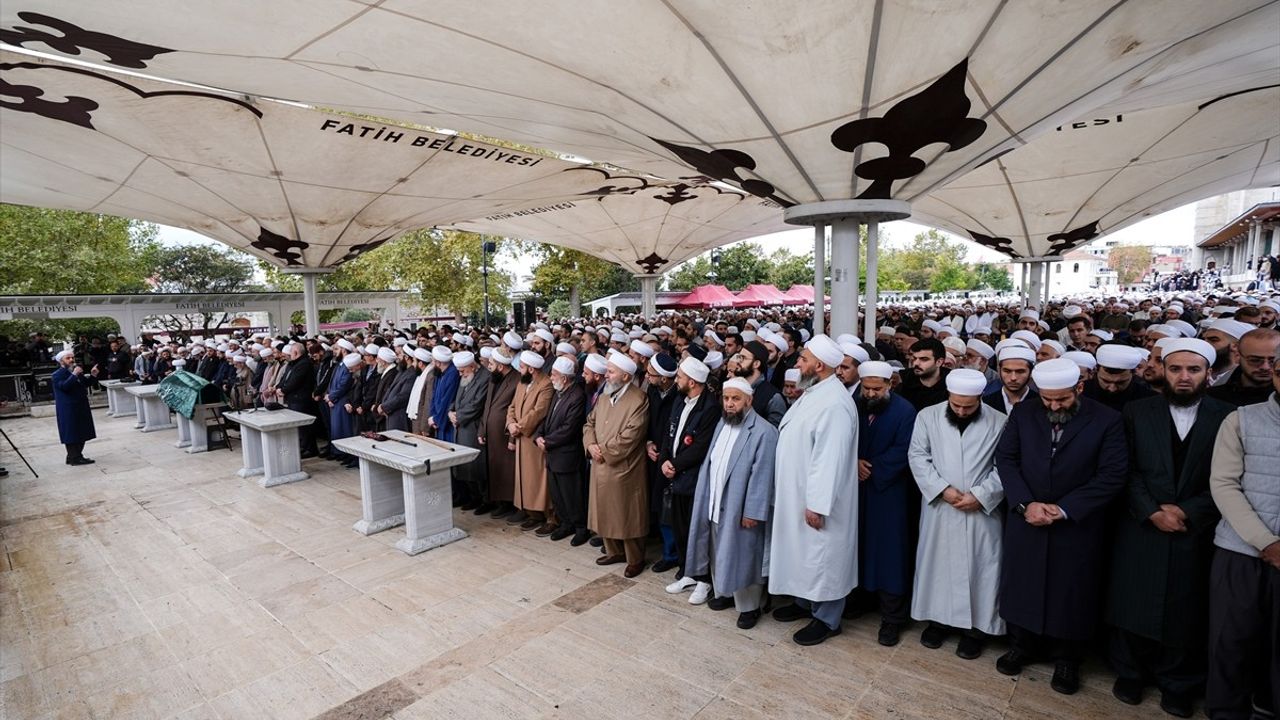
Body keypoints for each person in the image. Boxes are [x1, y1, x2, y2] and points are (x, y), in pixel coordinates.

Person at [1106, 338, 1232, 717]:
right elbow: (1124, 469)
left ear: (1208, 374)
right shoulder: (1136, 411)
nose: (1183, 377)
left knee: (1186, 606)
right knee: (1133, 598)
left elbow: (1227, 477)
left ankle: (1178, 682)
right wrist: (1151, 510)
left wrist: (1188, 511)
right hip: (1142, 523)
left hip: (1195, 527)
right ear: (1162, 370)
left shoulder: (1227, 416)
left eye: (1193, 370)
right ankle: (1130, 672)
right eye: (1175, 369)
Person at [995, 358, 1127, 694]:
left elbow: (1111, 475)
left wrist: (1065, 509)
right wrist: (1026, 503)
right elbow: (1006, 460)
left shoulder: (1107, 420)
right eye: (1048, 399)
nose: (1054, 405)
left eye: (1063, 400)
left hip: (1076, 524)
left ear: (1079, 388)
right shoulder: (1024, 413)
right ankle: (1021, 645)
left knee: (1072, 592)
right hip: (1027, 517)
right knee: (1022, 582)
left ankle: (1068, 659)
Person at [909, 368, 1007, 659]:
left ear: (979, 399)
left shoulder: (1000, 421)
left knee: (981, 569)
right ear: (948, 397)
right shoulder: (927, 416)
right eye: (957, 405)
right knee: (938, 568)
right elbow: (917, 456)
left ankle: (975, 631)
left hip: (981, 510)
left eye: (969, 406)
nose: (962, 411)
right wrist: (942, 489)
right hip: (941, 506)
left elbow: (1006, 465)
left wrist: (982, 495)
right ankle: (938, 622)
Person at [1205, 341, 1280, 720]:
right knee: (1230, 643)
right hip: (1241, 550)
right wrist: (1266, 542)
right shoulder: (1241, 420)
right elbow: (1224, 484)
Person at [769, 334, 860, 646]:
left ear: (819, 366)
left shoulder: (834, 403)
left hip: (818, 501)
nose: (798, 362)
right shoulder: (816, 391)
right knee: (805, 555)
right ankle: (805, 602)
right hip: (799, 493)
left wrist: (817, 505)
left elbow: (829, 460)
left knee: (823, 558)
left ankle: (827, 619)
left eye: (803, 359)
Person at [686, 376, 777, 629]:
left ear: (749, 400)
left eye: (735, 399)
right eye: (726, 398)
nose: (729, 404)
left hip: (741, 508)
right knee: (719, 551)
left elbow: (763, 476)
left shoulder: (764, 432)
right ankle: (726, 592)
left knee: (746, 556)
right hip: (716, 502)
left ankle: (750, 607)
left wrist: (753, 512)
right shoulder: (722, 424)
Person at [848, 360, 918, 646]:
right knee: (860, 546)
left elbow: (906, 449)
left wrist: (872, 468)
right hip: (857, 490)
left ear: (890, 384)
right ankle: (863, 600)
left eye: (877, 388)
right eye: (867, 388)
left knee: (890, 554)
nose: (871, 394)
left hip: (890, 492)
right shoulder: (854, 405)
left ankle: (892, 618)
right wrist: (852, 462)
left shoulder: (906, 411)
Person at [657, 357, 720, 604]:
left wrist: (675, 464)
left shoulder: (710, 408)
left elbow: (701, 447)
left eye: (680, 377)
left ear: (692, 382)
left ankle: (703, 580)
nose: (676, 381)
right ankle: (687, 572)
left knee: (698, 532)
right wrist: (664, 459)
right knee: (680, 527)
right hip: (675, 478)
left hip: (693, 480)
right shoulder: (680, 400)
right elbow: (668, 434)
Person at [583, 352, 650, 577]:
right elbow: (589, 424)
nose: (606, 375)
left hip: (624, 467)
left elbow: (631, 436)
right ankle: (613, 551)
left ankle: (635, 558)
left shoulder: (639, 399)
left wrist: (604, 451)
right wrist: (591, 445)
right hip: (600, 463)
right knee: (604, 512)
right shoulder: (603, 397)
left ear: (625, 376)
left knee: (628, 514)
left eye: (611, 372)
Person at [535, 356, 587, 542]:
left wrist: (547, 442)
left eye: (554, 375)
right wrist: (539, 436)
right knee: (558, 494)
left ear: (565, 378)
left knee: (572, 494)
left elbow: (569, 429)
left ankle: (580, 527)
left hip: (567, 456)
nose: (551, 377)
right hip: (553, 455)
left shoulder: (577, 396)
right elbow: (546, 418)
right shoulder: (559, 393)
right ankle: (566, 524)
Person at [507, 350, 555, 531]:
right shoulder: (523, 382)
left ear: (532, 369)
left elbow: (539, 411)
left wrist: (519, 427)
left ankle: (547, 516)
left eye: (522, 367)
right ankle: (532, 514)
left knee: (538, 479)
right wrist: (510, 423)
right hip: (520, 438)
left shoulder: (546, 384)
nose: (520, 370)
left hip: (532, 438)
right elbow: (512, 406)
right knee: (525, 479)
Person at [448, 350, 490, 510]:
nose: (460, 375)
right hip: (461, 426)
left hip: (473, 427)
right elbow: (457, 396)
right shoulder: (467, 376)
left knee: (476, 466)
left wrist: (458, 416)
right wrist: (451, 411)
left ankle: (484, 500)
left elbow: (477, 405)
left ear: (472, 366)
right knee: (465, 466)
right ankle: (473, 497)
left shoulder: (485, 377)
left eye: (462, 371)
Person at [482, 349, 520, 519]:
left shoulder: (517, 379)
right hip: (491, 434)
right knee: (495, 470)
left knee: (507, 472)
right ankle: (499, 502)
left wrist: (513, 438)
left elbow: (516, 411)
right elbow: (487, 406)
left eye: (491, 364)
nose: (489, 367)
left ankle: (509, 504)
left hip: (505, 435)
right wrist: (482, 429)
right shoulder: (494, 378)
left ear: (500, 366)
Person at [1208, 327, 1280, 407]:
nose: (1265, 367)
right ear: (1237, 356)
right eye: (1255, 360)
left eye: (1273, 360)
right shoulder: (1212, 397)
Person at [51, 349, 97, 465]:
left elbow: (85, 384)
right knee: (71, 432)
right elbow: (64, 387)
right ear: (61, 361)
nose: (71, 360)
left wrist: (93, 375)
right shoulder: (57, 374)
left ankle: (73, 456)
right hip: (68, 408)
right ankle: (75, 457)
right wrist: (74, 375)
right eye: (68, 358)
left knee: (82, 430)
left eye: (72, 358)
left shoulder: (76, 371)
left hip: (80, 405)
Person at [275, 343, 318, 457]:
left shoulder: (304, 364)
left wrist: (283, 390)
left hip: (301, 399)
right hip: (293, 398)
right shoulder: (292, 364)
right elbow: (285, 378)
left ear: (296, 352)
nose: (289, 354)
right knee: (299, 426)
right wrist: (279, 388)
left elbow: (295, 381)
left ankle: (310, 448)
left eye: (291, 351)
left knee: (305, 425)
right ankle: (303, 446)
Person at [1085, 344, 1155, 412]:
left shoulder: (1150, 400)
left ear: (1133, 373)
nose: (1112, 389)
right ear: (1096, 370)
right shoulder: (1081, 394)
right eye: (1106, 381)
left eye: (1120, 383)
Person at [327, 351, 361, 468]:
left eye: (352, 369)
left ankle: (350, 456)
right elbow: (333, 384)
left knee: (347, 432)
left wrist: (331, 397)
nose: (350, 371)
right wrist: (330, 396)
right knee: (339, 431)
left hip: (350, 405)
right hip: (341, 402)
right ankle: (345, 455)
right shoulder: (343, 368)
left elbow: (344, 388)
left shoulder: (354, 374)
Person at [899, 337, 950, 411]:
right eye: (914, 358)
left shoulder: (951, 386)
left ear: (939, 362)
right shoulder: (903, 381)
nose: (916, 363)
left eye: (924, 359)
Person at [983, 346, 1037, 413]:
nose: (1013, 378)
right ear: (999, 371)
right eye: (1007, 371)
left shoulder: (1041, 404)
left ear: (1031, 372)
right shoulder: (985, 404)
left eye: (1020, 372)